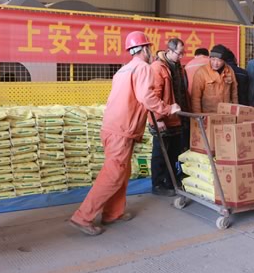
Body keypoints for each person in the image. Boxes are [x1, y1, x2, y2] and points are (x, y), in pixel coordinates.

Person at [70, 31, 181, 236]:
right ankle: (83, 217)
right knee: (113, 174)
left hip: (114, 128)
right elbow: (147, 97)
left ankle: (113, 213)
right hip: (121, 130)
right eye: (149, 48)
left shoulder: (123, 70)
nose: (150, 52)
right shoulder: (143, 68)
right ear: (145, 49)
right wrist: (168, 109)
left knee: (122, 172)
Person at [148, 38, 190, 197]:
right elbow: (153, 96)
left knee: (174, 152)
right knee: (160, 152)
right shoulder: (158, 68)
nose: (181, 56)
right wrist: (158, 119)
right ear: (169, 51)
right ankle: (158, 184)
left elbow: (182, 92)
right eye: (179, 53)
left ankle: (171, 181)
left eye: (183, 53)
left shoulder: (178, 67)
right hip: (163, 119)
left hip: (177, 117)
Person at [191, 44, 238, 113]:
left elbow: (234, 93)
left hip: (226, 114)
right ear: (209, 58)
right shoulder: (201, 72)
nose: (215, 63)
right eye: (213, 59)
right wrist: (197, 116)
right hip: (208, 114)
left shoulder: (229, 70)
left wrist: (235, 112)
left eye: (219, 60)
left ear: (224, 61)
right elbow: (195, 98)